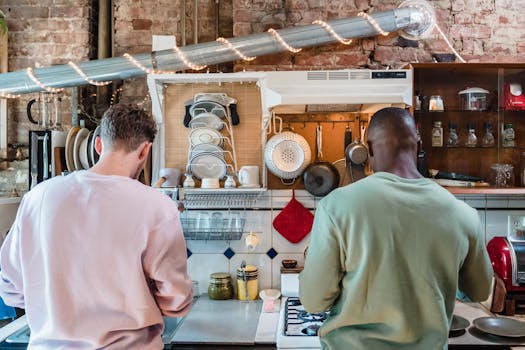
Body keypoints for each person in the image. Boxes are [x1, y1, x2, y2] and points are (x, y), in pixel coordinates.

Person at [0, 104, 193, 349]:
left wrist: (56, 302)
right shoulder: (157, 206)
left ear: (98, 145)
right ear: (145, 151)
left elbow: (10, 288)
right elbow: (175, 301)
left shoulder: (37, 197)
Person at [299, 107, 493, 350]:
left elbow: (314, 301)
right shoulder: (463, 214)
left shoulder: (336, 206)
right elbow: (479, 290)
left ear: (369, 149)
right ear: (419, 146)